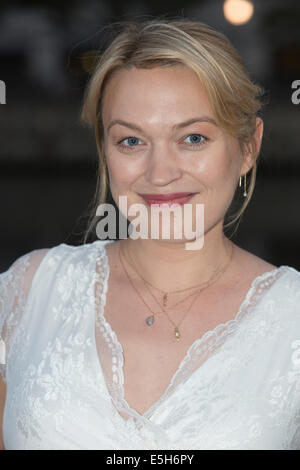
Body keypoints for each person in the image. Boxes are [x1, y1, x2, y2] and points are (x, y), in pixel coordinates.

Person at [1, 18, 300, 451]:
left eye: (193, 138)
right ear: (104, 148)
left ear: (248, 147)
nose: (160, 174)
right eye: (131, 141)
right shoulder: (29, 293)